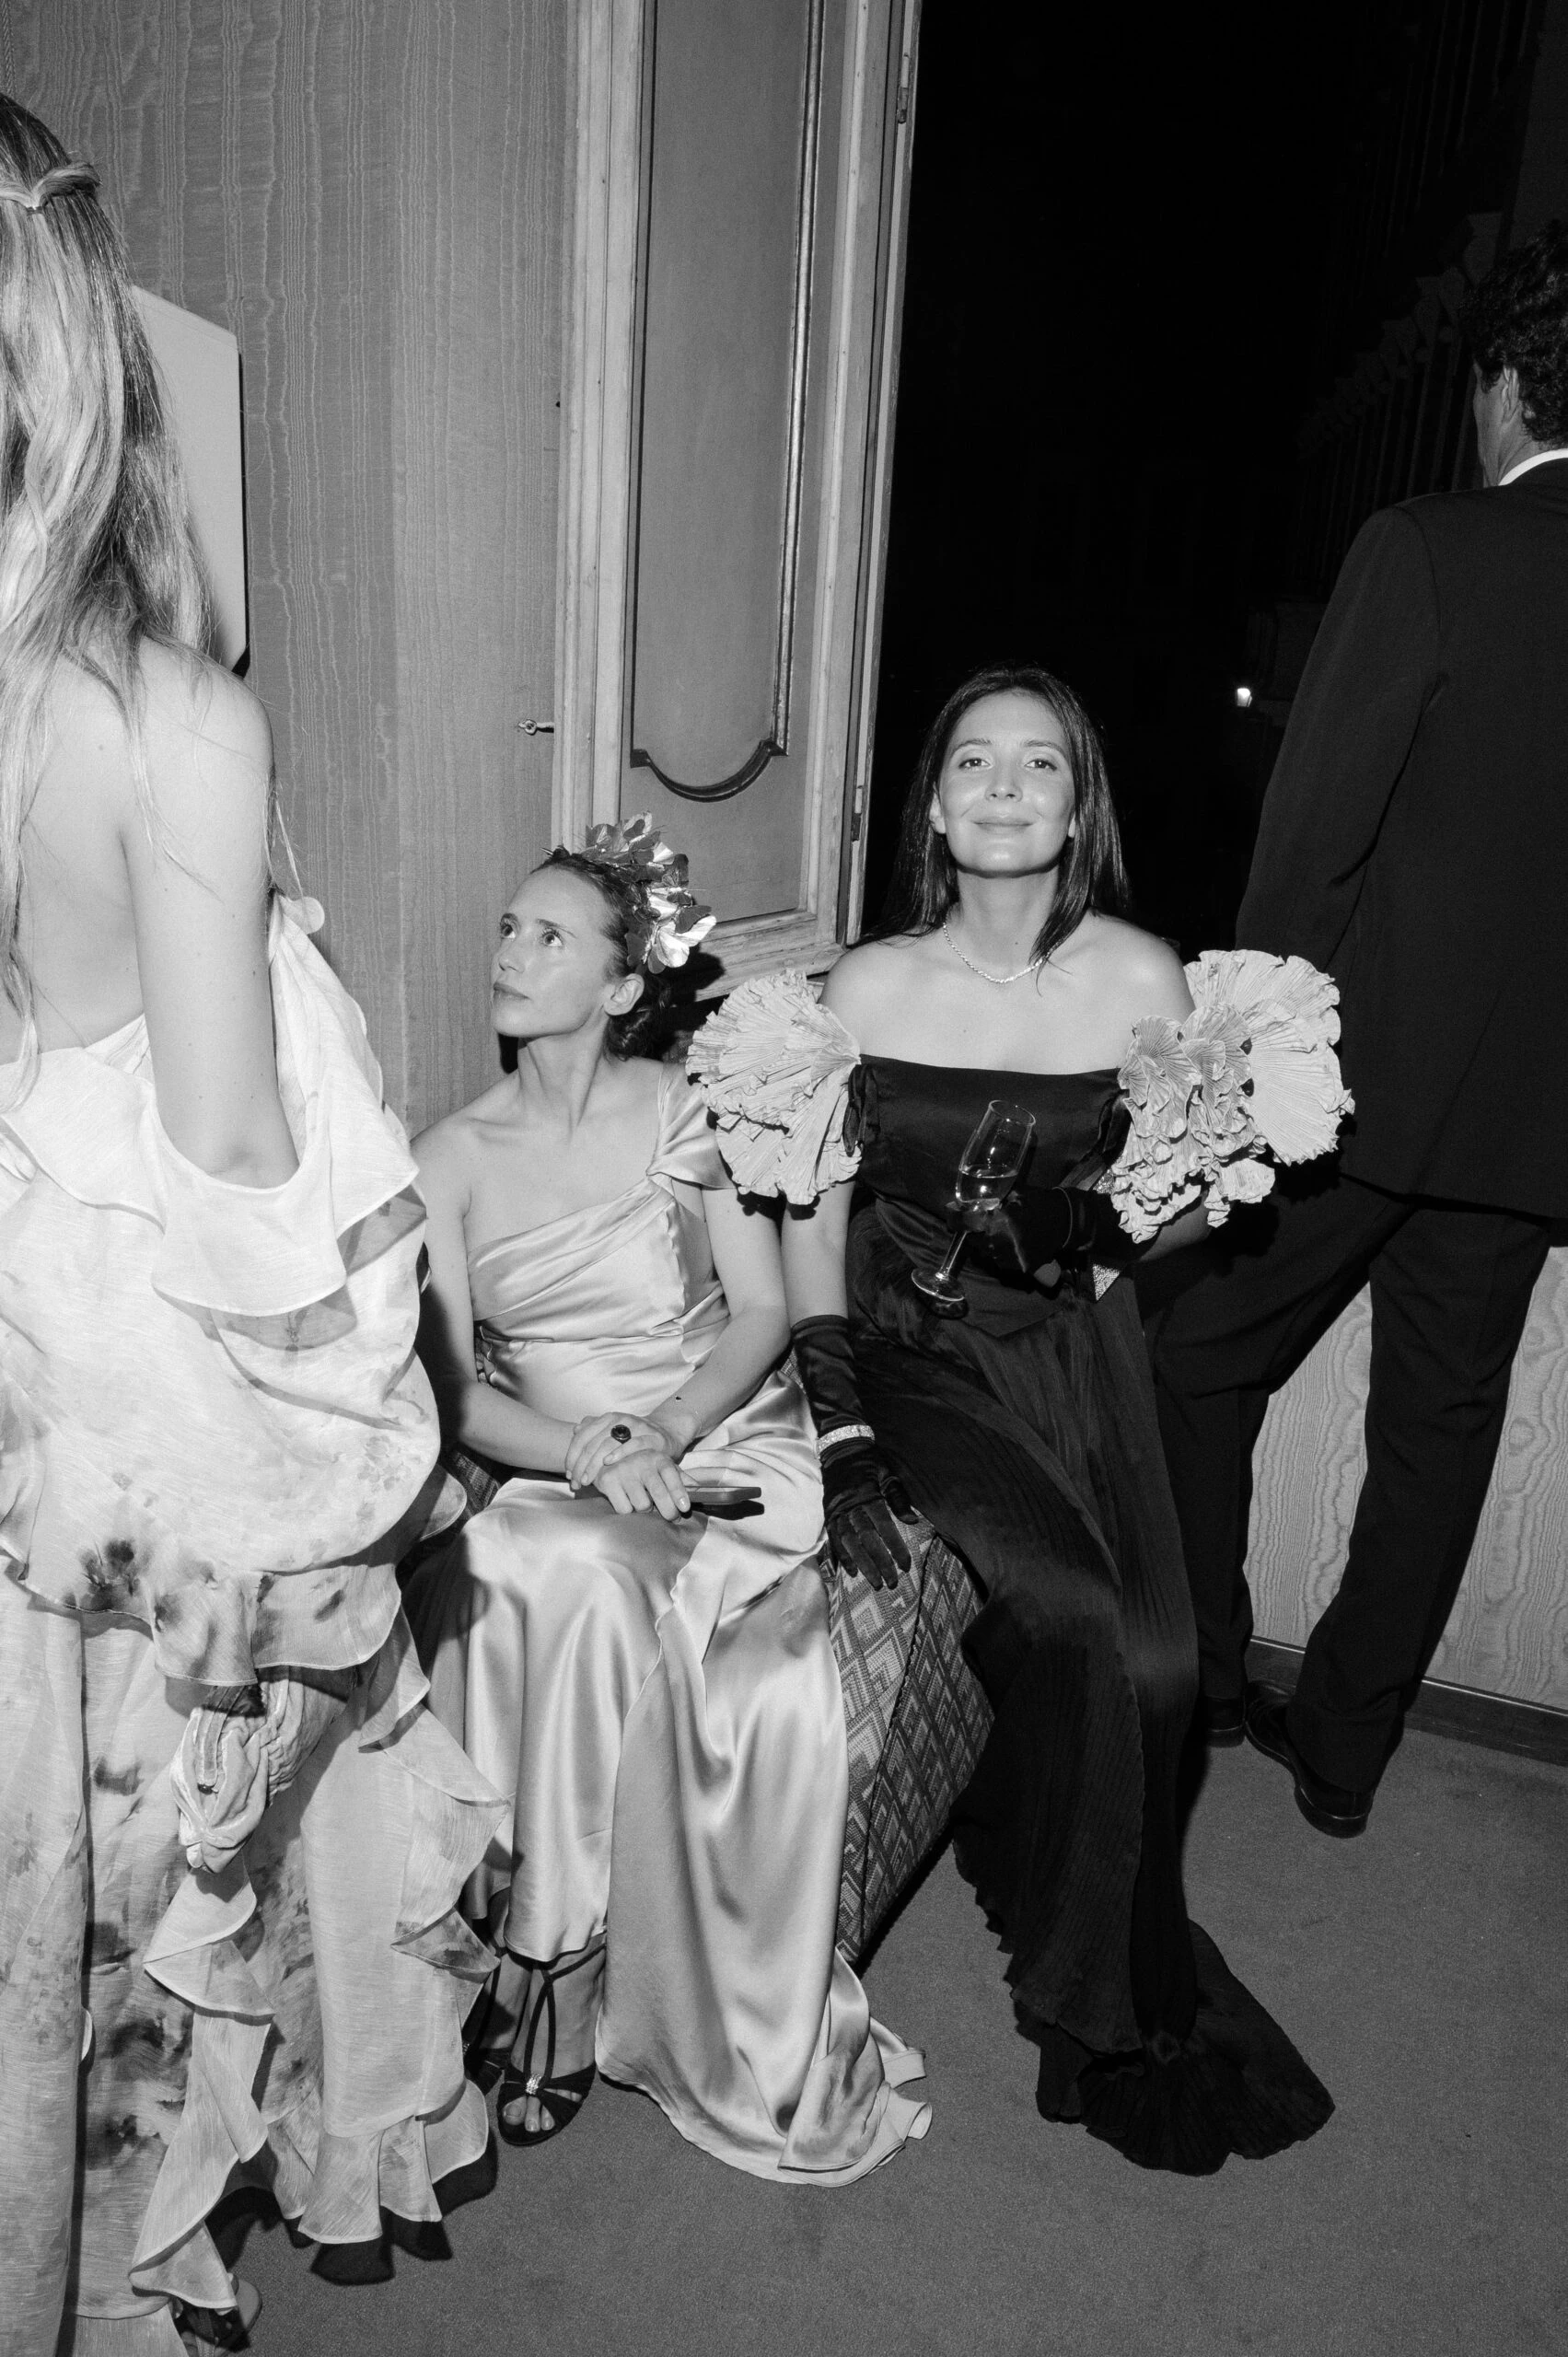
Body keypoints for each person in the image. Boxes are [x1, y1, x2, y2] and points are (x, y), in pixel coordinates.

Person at [0, 99, 503, 2357]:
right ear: (88, 352)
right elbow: (225, 1162)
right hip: (116, 1414)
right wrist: (376, 1426)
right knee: (129, 1920)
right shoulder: (164, 721)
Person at [691, 664, 1335, 2175]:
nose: (1000, 786)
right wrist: (839, 1417)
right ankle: (1096, 2004)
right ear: (931, 804)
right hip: (907, 1348)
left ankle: (1058, 1858)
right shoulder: (860, 988)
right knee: (1067, 1614)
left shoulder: (1140, 975)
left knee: (1164, 1666)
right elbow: (809, 1215)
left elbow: (1206, 1191)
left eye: (1036, 764)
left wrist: (1092, 1229)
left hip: (1066, 1344)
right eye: (971, 760)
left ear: (1074, 806)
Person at [401, 828, 930, 2184]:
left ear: (624, 986)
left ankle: (560, 1973)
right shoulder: (447, 1157)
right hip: (561, 1468)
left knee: (589, 1587)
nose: (511, 954)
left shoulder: (691, 1109)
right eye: (508, 929)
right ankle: (542, 1949)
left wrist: (667, 1431)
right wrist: (587, 1453)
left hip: (727, 1439)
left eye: (550, 937)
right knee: (533, 1566)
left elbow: (761, 1311)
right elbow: (454, 1395)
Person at [1146, 220, 1568, 1840]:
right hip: (1531, 1126)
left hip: (1359, 1093)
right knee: (1437, 1436)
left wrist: (1241, 1067)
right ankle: (1340, 1756)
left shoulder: (1425, 546)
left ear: (1501, 386)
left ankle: (1210, 1677)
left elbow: (1309, 839)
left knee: (1190, 1358)